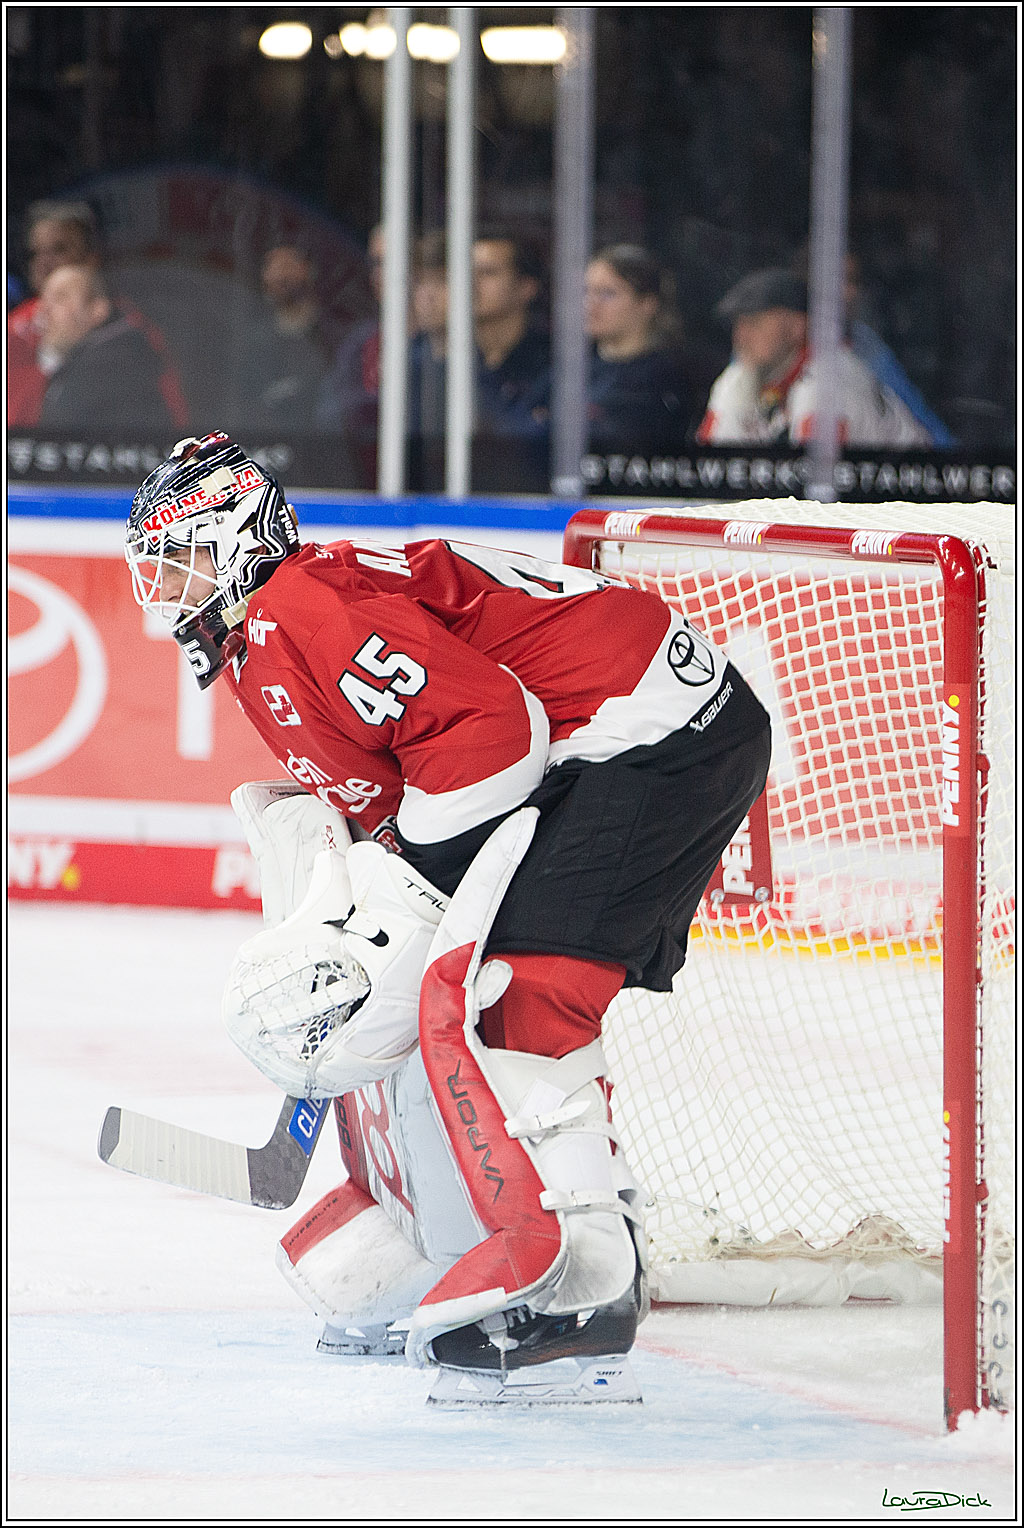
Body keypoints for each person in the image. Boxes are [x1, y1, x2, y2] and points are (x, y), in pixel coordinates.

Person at [124, 432, 771, 1404]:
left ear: (235, 543)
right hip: (604, 738)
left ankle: (577, 1275)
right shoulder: (271, 635)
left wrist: (399, 902)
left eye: (178, 559)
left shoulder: (300, 611)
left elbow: (494, 734)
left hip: (652, 728)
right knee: (475, 985)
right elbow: (404, 787)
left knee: (518, 992)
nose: (165, 588)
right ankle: (447, 1218)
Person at [697, 267, 932, 448]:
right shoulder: (740, 378)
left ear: (797, 327)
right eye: (738, 324)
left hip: (907, 505)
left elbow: (811, 497)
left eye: (754, 324)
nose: (741, 336)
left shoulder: (830, 381)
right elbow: (706, 470)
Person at [8, 198, 188, 430]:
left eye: (59, 249)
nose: (44, 262)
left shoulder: (128, 329)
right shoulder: (12, 329)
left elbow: (170, 418)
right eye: (36, 253)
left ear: (90, 259)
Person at [583, 244, 705, 452]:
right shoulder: (568, 370)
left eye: (608, 294)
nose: (590, 304)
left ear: (647, 303)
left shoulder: (664, 379)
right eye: (587, 291)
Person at [35, 265, 177, 432]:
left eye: (61, 297)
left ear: (98, 309)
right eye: (44, 299)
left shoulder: (115, 367)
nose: (44, 310)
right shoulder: (76, 366)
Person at [227, 244, 342, 432]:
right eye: (271, 266)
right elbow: (247, 402)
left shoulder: (334, 336)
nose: (278, 275)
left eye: (287, 265)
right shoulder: (254, 341)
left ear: (308, 269)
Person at [472, 228, 550, 437]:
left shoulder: (554, 365)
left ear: (527, 288)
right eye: (467, 272)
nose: (471, 283)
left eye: (488, 273)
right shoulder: (449, 358)